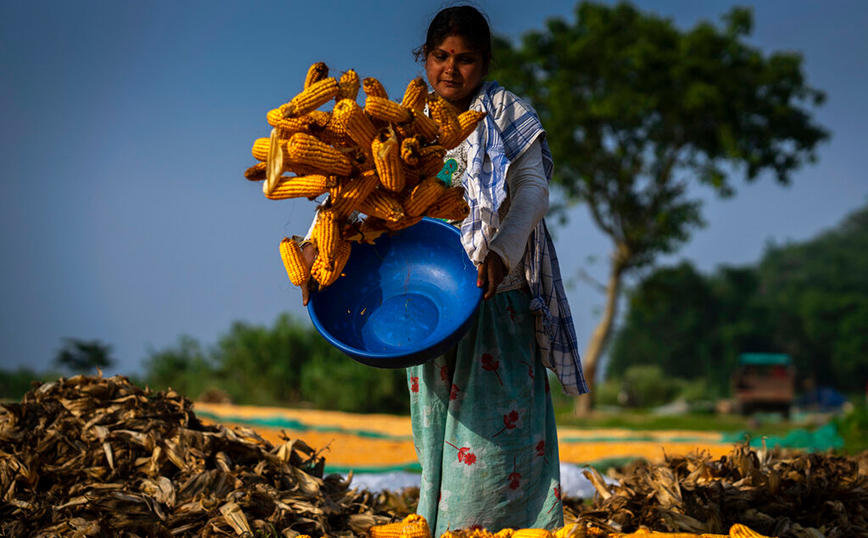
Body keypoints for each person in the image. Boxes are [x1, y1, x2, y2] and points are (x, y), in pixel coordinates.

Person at [404, 6, 588, 535]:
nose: (450, 70)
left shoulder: (506, 112)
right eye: (440, 57)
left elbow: (532, 191)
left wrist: (502, 251)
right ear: (426, 58)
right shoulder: (409, 119)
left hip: (493, 294)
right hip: (431, 304)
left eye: (465, 60)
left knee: (494, 437)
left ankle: (506, 526)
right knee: (439, 431)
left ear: (485, 63)